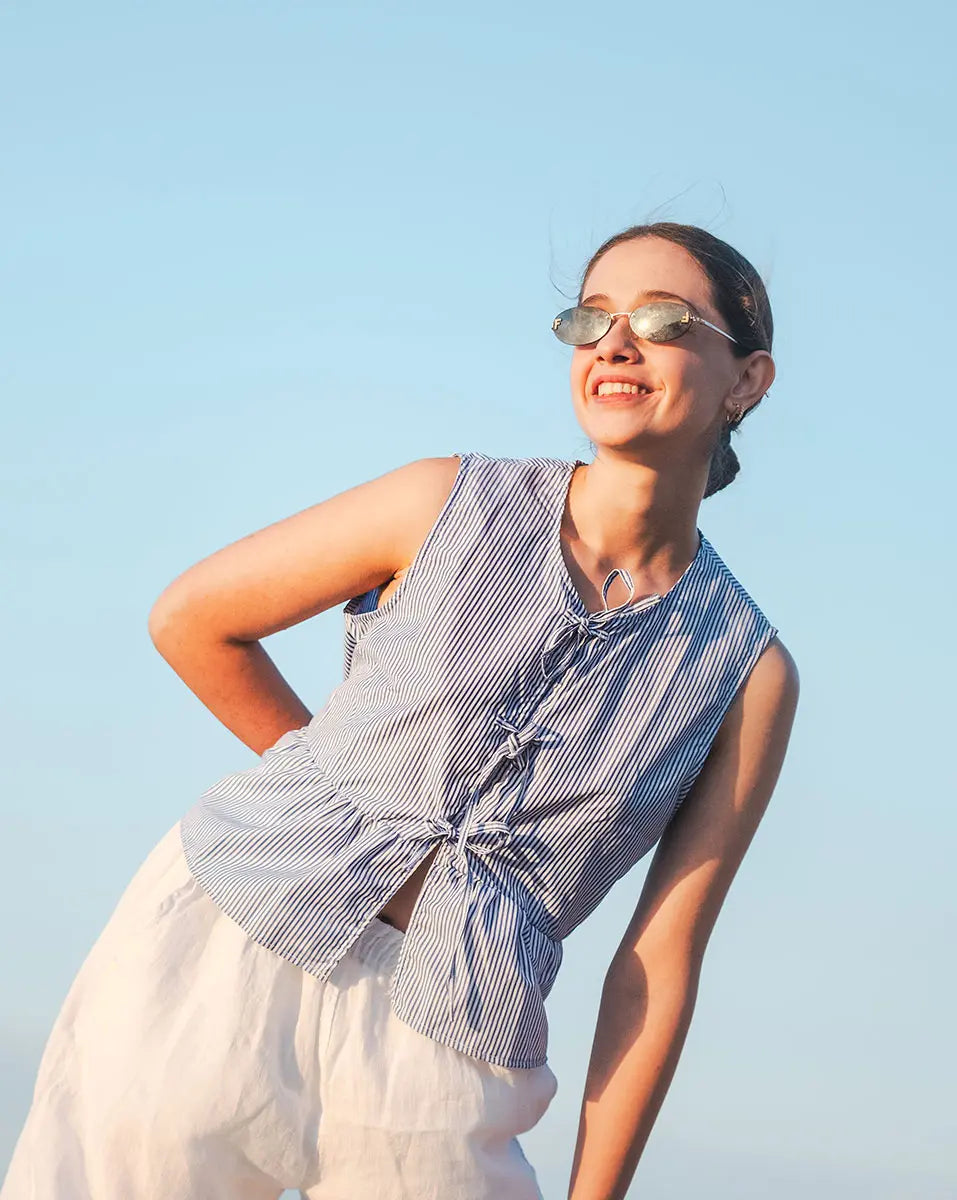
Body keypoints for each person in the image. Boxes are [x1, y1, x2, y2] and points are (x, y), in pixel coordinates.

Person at [2, 221, 799, 1200]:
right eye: (591, 318)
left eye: (664, 319)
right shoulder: (443, 501)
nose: (615, 342)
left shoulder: (745, 674)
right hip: (224, 949)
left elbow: (657, 961)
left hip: (447, 1047)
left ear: (747, 380)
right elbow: (194, 621)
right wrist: (331, 787)